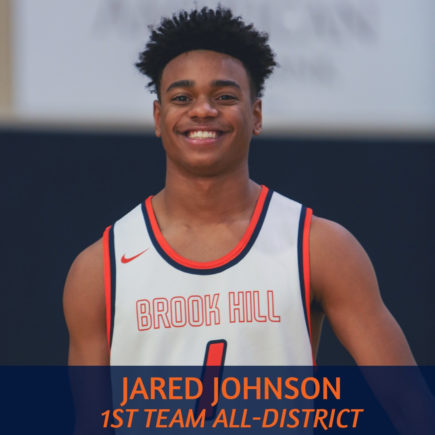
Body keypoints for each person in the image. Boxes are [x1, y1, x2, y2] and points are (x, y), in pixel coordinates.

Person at [63, 7, 415, 367]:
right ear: (158, 117)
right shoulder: (99, 269)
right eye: (182, 98)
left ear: (256, 116)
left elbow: (406, 398)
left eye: (225, 97)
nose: (203, 110)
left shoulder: (319, 246)